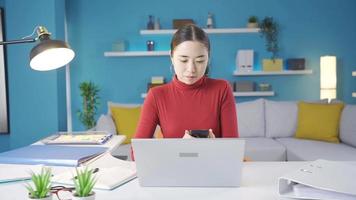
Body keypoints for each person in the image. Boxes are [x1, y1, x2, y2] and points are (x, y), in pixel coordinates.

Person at [134, 24, 238, 139]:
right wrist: (182, 148)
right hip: (171, 158)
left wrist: (212, 146)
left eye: (200, 61)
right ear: (171, 57)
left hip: (214, 158)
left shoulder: (222, 89)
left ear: (208, 58)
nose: (191, 69)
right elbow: (137, 151)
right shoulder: (156, 96)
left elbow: (233, 148)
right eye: (184, 60)